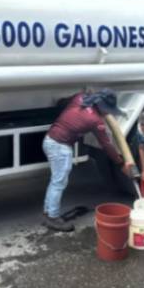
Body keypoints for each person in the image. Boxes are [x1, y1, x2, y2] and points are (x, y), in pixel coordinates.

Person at [43, 89, 134, 232]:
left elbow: (66, 101)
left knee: (56, 180)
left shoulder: (80, 98)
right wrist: (120, 163)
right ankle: (53, 218)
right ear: (102, 107)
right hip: (60, 147)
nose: (107, 113)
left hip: (50, 139)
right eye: (108, 110)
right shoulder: (95, 121)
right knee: (59, 181)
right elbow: (107, 145)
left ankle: (48, 212)